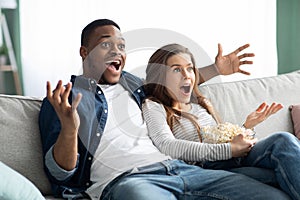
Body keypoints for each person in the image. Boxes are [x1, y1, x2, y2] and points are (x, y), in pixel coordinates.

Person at [39, 19, 290, 200]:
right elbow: (60, 173)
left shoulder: (133, 85)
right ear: (85, 52)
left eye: (121, 46)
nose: (117, 51)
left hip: (182, 170)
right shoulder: (66, 98)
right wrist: (70, 131)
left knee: (274, 195)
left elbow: (174, 82)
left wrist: (215, 70)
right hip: (128, 181)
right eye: (106, 45)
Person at [142, 43, 300, 200]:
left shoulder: (199, 103)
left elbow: (219, 138)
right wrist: (229, 150)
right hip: (205, 168)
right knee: (273, 176)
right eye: (176, 69)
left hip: (230, 159)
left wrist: (246, 128)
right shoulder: (155, 106)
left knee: (283, 140)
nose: (186, 75)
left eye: (189, 68)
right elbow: (167, 145)